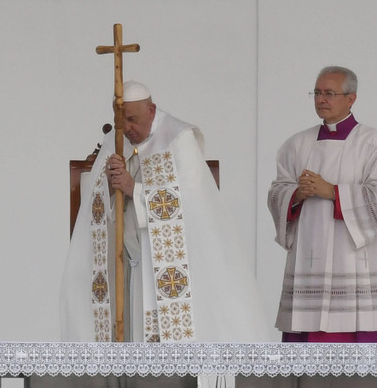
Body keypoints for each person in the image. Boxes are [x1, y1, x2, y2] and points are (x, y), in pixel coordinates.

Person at [60, 81, 270, 343]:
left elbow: (189, 203)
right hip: (125, 261)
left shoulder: (178, 138)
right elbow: (94, 206)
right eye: (121, 122)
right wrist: (106, 181)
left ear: (151, 110)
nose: (128, 129)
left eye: (133, 120)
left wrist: (132, 189)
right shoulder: (114, 140)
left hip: (164, 264)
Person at [268, 66, 377, 343]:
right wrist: (296, 195)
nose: (321, 99)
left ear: (351, 98)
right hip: (309, 258)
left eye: (329, 93)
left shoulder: (374, 142)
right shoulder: (296, 144)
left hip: (353, 260)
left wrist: (334, 192)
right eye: (317, 93)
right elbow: (277, 191)